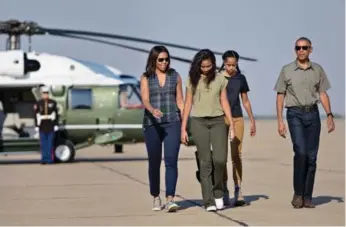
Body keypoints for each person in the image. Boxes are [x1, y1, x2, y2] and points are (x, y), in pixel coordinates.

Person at [274, 37, 335, 209]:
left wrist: (329, 115)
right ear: (295, 50)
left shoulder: (318, 70)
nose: (301, 50)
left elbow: (322, 93)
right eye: (298, 48)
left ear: (310, 50)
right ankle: (298, 193)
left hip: (313, 114)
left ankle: (307, 197)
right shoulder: (286, 70)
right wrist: (280, 121)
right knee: (300, 152)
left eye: (304, 48)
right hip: (294, 115)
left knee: (312, 156)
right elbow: (280, 96)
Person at [181, 49, 235, 212]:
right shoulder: (192, 80)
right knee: (205, 163)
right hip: (199, 123)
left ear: (213, 64)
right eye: (203, 67)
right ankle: (208, 200)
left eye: (208, 66)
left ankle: (219, 191)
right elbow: (188, 104)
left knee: (220, 160)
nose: (205, 69)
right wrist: (183, 128)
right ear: (198, 66)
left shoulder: (220, 79)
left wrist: (231, 124)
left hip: (218, 121)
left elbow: (224, 101)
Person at [140, 45, 184, 212]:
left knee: (171, 160)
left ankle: (170, 198)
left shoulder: (175, 76)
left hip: (173, 121)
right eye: (161, 60)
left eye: (166, 59)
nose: (164, 62)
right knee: (154, 162)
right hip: (152, 124)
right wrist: (152, 110)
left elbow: (180, 100)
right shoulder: (146, 77)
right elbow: (145, 99)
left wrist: (186, 118)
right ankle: (156, 196)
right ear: (154, 60)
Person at [218, 50, 256, 206]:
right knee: (222, 155)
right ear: (224, 63)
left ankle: (237, 188)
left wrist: (252, 120)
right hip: (220, 118)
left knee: (236, 154)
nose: (231, 68)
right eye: (228, 65)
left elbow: (245, 101)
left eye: (234, 65)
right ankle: (224, 190)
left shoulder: (241, 79)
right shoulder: (218, 78)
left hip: (237, 118)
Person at [34, 86, 59, 164]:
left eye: (46, 93)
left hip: (50, 125)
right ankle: (44, 159)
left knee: (50, 144)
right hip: (42, 125)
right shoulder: (38, 103)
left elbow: (56, 114)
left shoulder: (53, 102)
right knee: (43, 144)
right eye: (44, 93)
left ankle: (50, 159)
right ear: (42, 94)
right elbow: (35, 114)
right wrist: (36, 126)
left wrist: (55, 124)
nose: (45, 95)